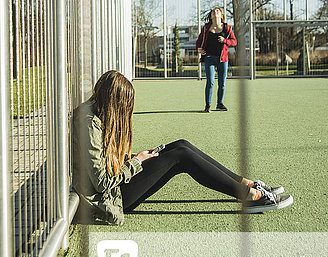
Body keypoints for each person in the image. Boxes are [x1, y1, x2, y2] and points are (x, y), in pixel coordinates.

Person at [72, 70, 293, 226]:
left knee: (181, 145)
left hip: (117, 184)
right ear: (114, 102)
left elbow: (101, 161)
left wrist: (135, 157)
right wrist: (136, 162)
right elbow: (102, 183)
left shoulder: (94, 112)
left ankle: (246, 183)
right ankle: (249, 196)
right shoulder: (89, 123)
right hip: (112, 198)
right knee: (181, 155)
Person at [196, 7, 237, 113]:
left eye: (217, 11)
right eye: (213, 12)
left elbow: (234, 42)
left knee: (222, 83)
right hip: (209, 57)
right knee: (210, 81)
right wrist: (199, 50)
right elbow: (199, 41)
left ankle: (220, 104)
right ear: (211, 16)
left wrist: (225, 41)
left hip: (223, 59)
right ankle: (208, 105)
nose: (215, 12)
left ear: (221, 15)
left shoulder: (227, 28)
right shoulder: (206, 28)